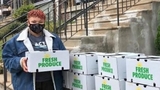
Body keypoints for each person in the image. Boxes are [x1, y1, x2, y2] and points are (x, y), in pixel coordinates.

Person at [2, 9, 65, 90]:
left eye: (40, 22)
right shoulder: (14, 41)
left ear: (44, 22)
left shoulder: (55, 39)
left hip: (51, 83)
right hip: (27, 85)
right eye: (34, 22)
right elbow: (7, 60)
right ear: (28, 23)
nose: (37, 24)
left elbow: (64, 57)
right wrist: (20, 62)